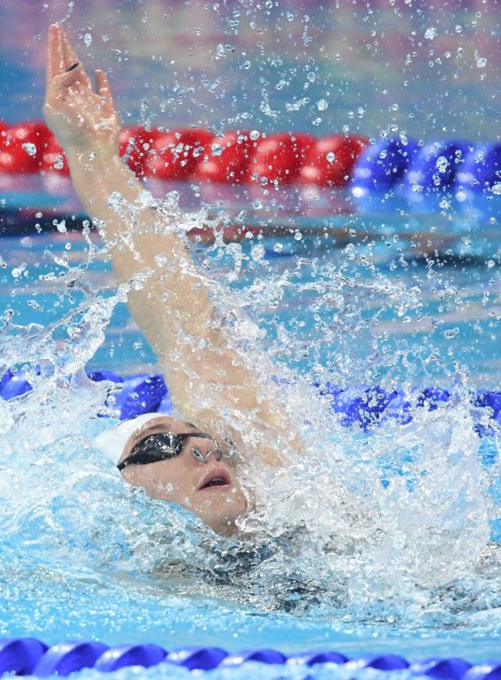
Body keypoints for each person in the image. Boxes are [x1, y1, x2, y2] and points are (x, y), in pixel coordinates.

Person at [42, 24, 303, 537]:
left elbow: (181, 319)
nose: (201, 447)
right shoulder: (131, 574)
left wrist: (94, 155)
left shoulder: (295, 501)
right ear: (127, 491)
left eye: (202, 435)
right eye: (159, 445)